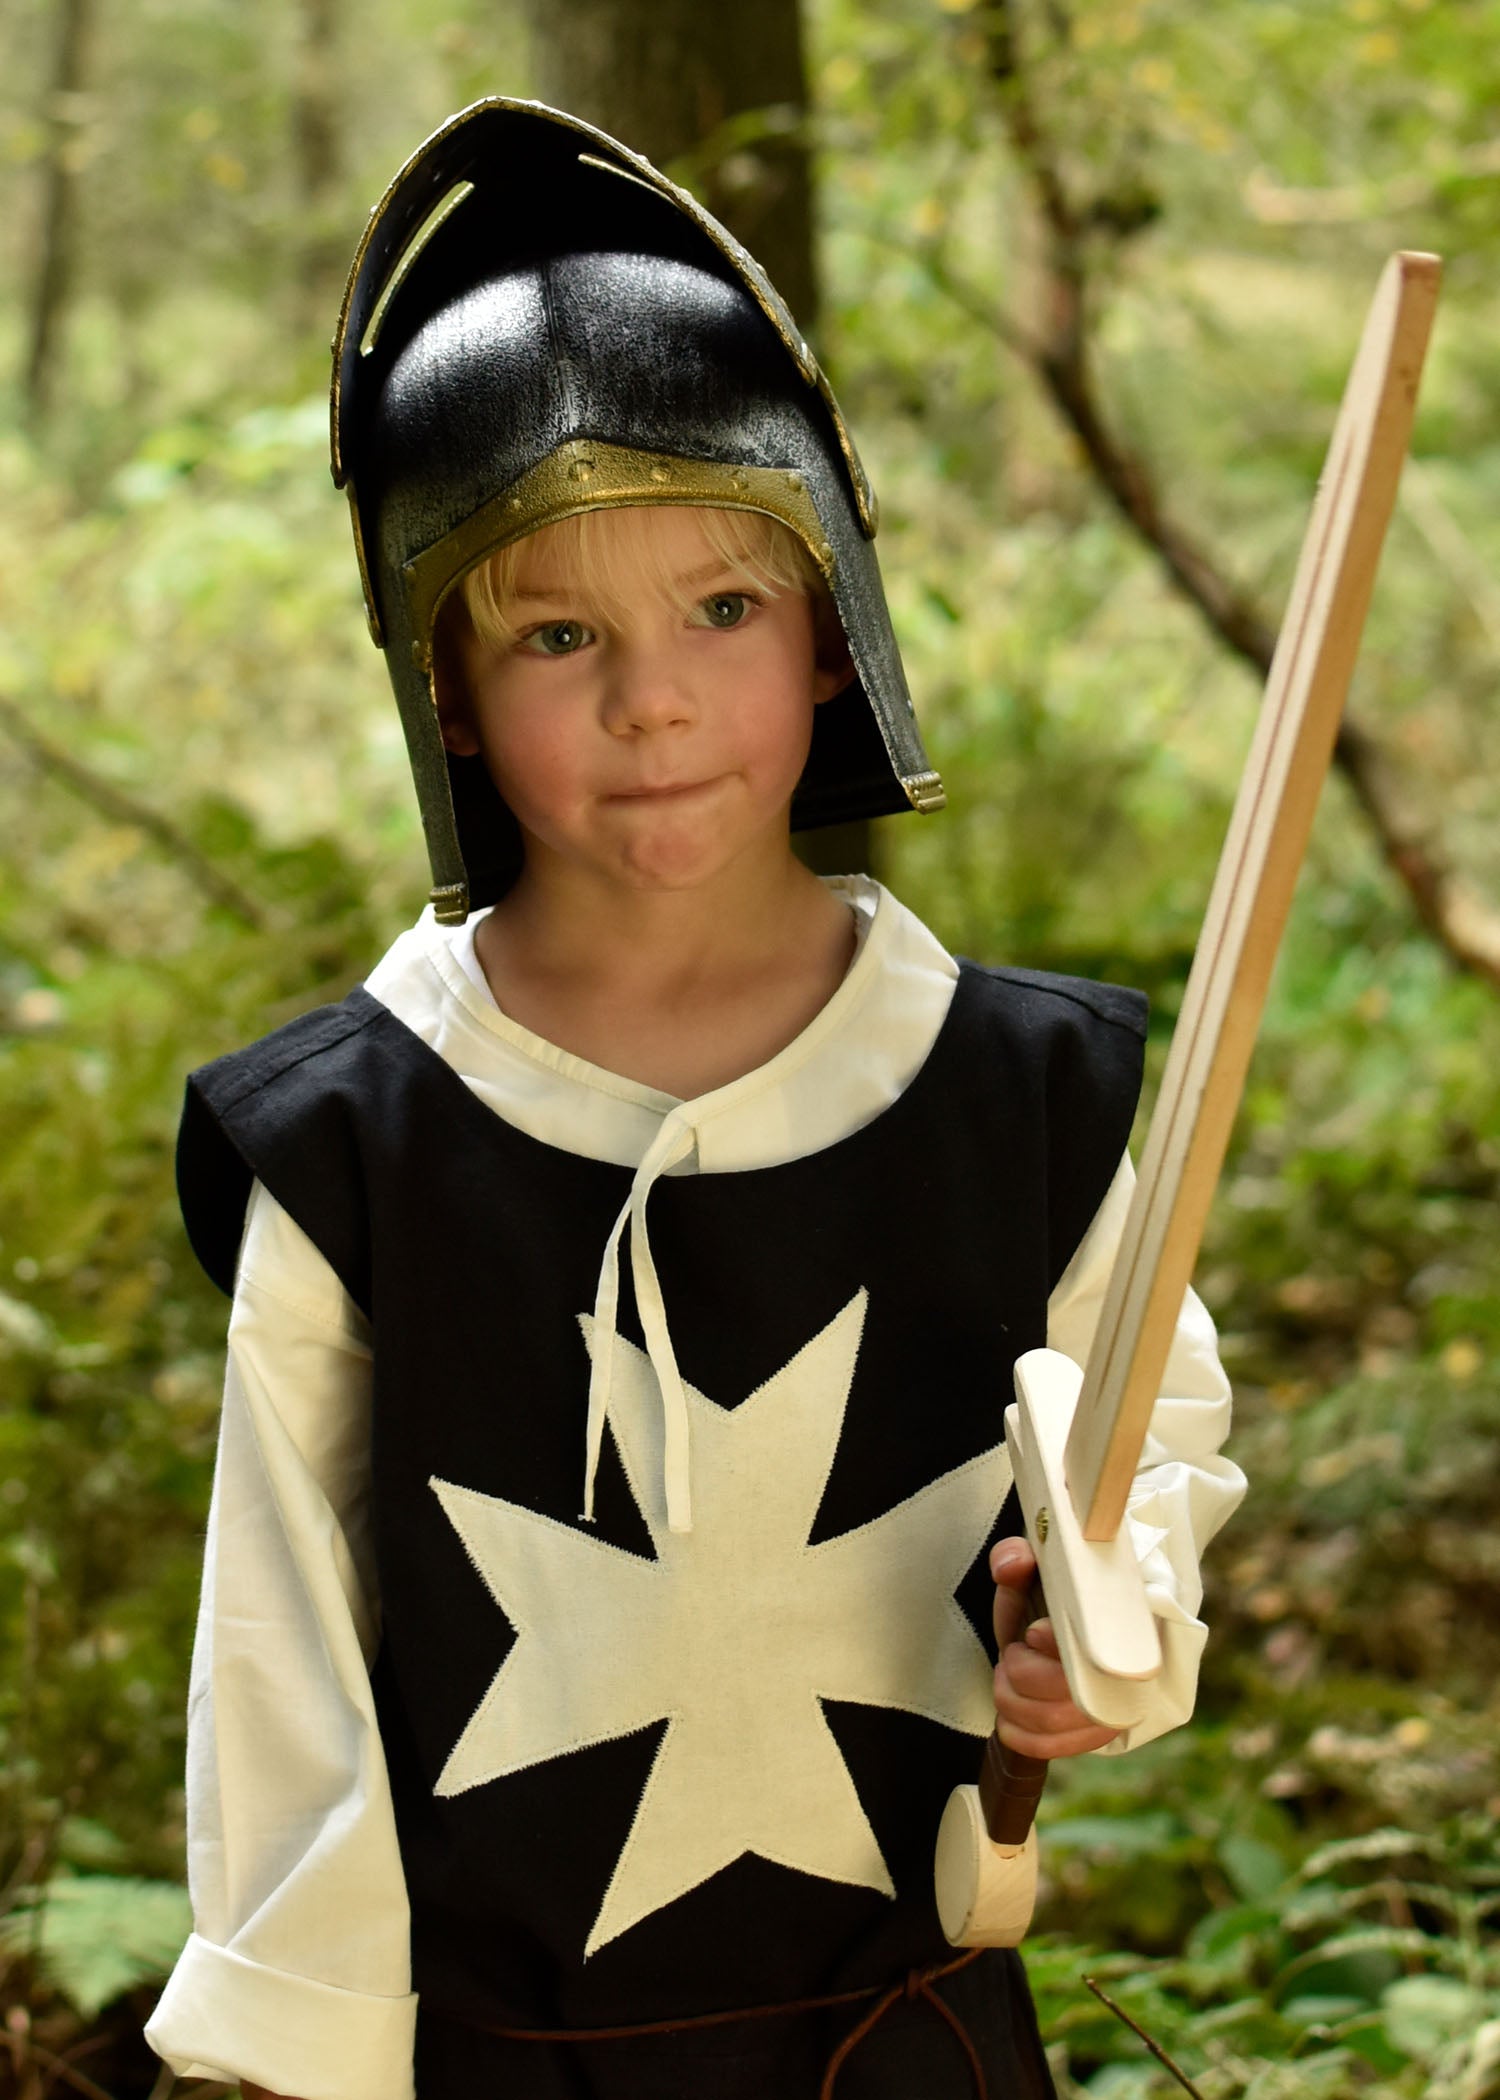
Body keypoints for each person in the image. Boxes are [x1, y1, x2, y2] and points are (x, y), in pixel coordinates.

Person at [144, 99, 1244, 2100]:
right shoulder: (362, 1146)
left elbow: (1143, 1441)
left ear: (832, 627)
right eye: (560, 634)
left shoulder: (1021, 1098)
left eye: (721, 610)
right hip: (502, 2069)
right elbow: (281, 1663)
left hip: (902, 2047)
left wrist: (1109, 1633)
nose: (652, 698)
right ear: (449, 692)